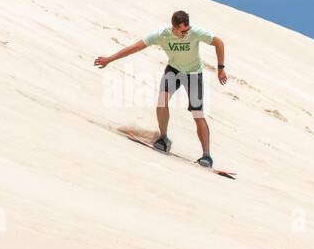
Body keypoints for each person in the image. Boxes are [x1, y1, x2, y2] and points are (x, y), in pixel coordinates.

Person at [94, 10, 227, 167]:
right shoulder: (161, 35)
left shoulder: (195, 32)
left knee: (198, 114)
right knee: (161, 102)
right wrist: (109, 59)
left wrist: (220, 68)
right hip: (174, 70)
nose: (186, 33)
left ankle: (206, 155)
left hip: (193, 74)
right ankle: (163, 138)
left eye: (187, 29)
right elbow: (135, 47)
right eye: (182, 31)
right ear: (174, 27)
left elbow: (219, 42)